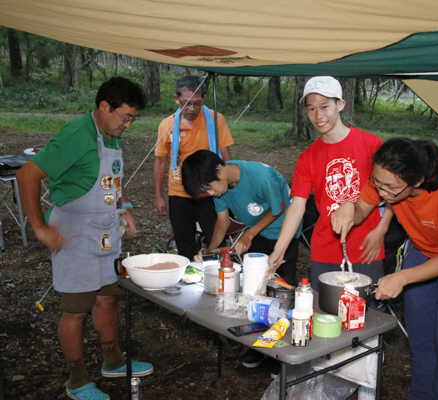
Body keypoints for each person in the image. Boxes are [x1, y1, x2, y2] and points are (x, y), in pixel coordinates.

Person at [16, 77, 152, 400]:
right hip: (74, 234)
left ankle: (113, 360)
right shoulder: (77, 136)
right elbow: (27, 175)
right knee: (75, 309)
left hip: (106, 233)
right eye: (126, 117)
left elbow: (114, 177)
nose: (129, 125)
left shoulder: (112, 135)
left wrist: (126, 206)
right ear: (105, 107)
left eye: (133, 118)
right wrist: (39, 226)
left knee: (107, 297)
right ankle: (76, 379)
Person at [332, 138, 438, 400]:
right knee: (420, 336)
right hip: (422, 252)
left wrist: (403, 276)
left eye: (390, 188)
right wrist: (347, 207)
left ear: (417, 181)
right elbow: (361, 210)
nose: (382, 192)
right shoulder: (384, 179)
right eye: (378, 182)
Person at [269, 76, 393, 294]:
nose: (318, 116)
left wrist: (381, 231)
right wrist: (279, 250)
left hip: (367, 247)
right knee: (325, 314)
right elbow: (297, 207)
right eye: (311, 109)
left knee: (366, 315)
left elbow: (393, 192)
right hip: (325, 250)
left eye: (325, 106)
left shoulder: (370, 144)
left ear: (340, 105)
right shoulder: (307, 158)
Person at [181, 149, 301, 286]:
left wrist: (249, 235)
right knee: (257, 279)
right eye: (206, 192)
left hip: (285, 232)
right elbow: (222, 222)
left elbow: (278, 209)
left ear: (219, 170)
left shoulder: (261, 177)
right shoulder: (221, 186)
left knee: (282, 283)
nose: (211, 193)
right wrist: (209, 252)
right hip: (258, 231)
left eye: (210, 188)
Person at [154, 75, 234, 260]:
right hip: (179, 192)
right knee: (185, 243)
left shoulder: (215, 120)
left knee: (216, 239)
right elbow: (160, 161)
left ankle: (217, 278)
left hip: (209, 192)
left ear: (204, 99)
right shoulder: (166, 125)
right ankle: (189, 277)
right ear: (176, 99)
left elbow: (225, 155)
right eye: (185, 103)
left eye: (197, 103)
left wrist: (230, 187)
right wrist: (158, 195)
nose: (191, 109)